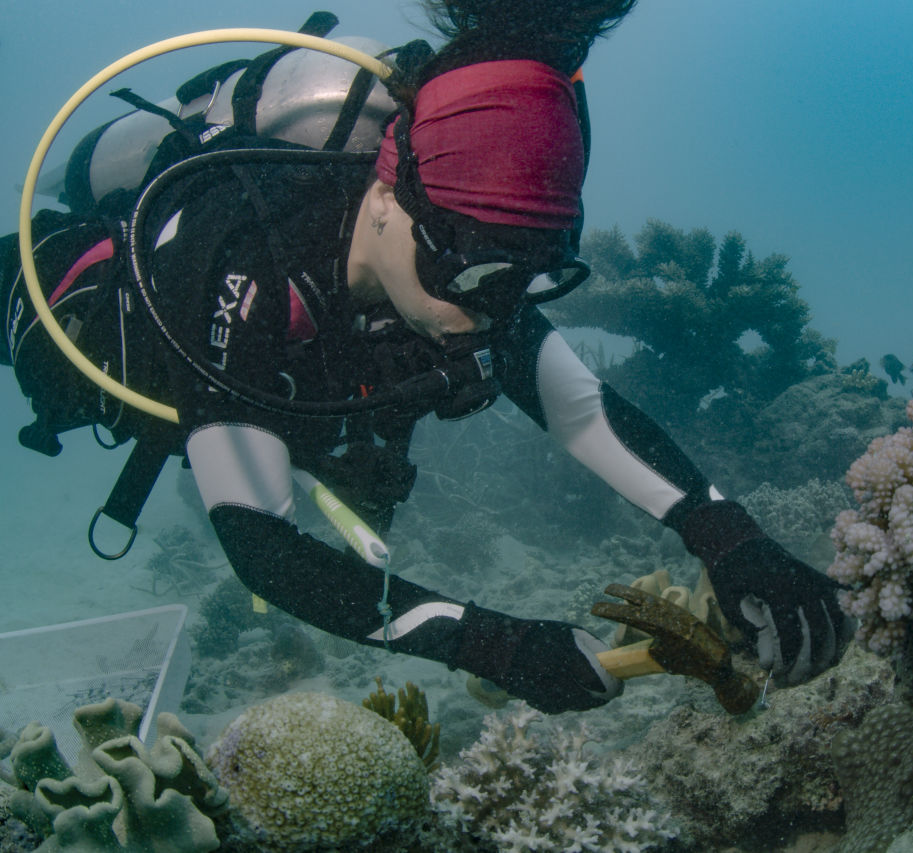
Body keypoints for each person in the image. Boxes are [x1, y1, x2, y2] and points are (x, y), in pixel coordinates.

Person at [2, 0, 849, 714]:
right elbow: (262, 542)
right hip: (91, 325)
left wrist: (734, 539)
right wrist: (495, 645)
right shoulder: (242, 257)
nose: (488, 314)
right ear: (385, 191)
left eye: (528, 278)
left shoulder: (472, 266)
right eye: (471, 271)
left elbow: (582, 411)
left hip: (286, 386)